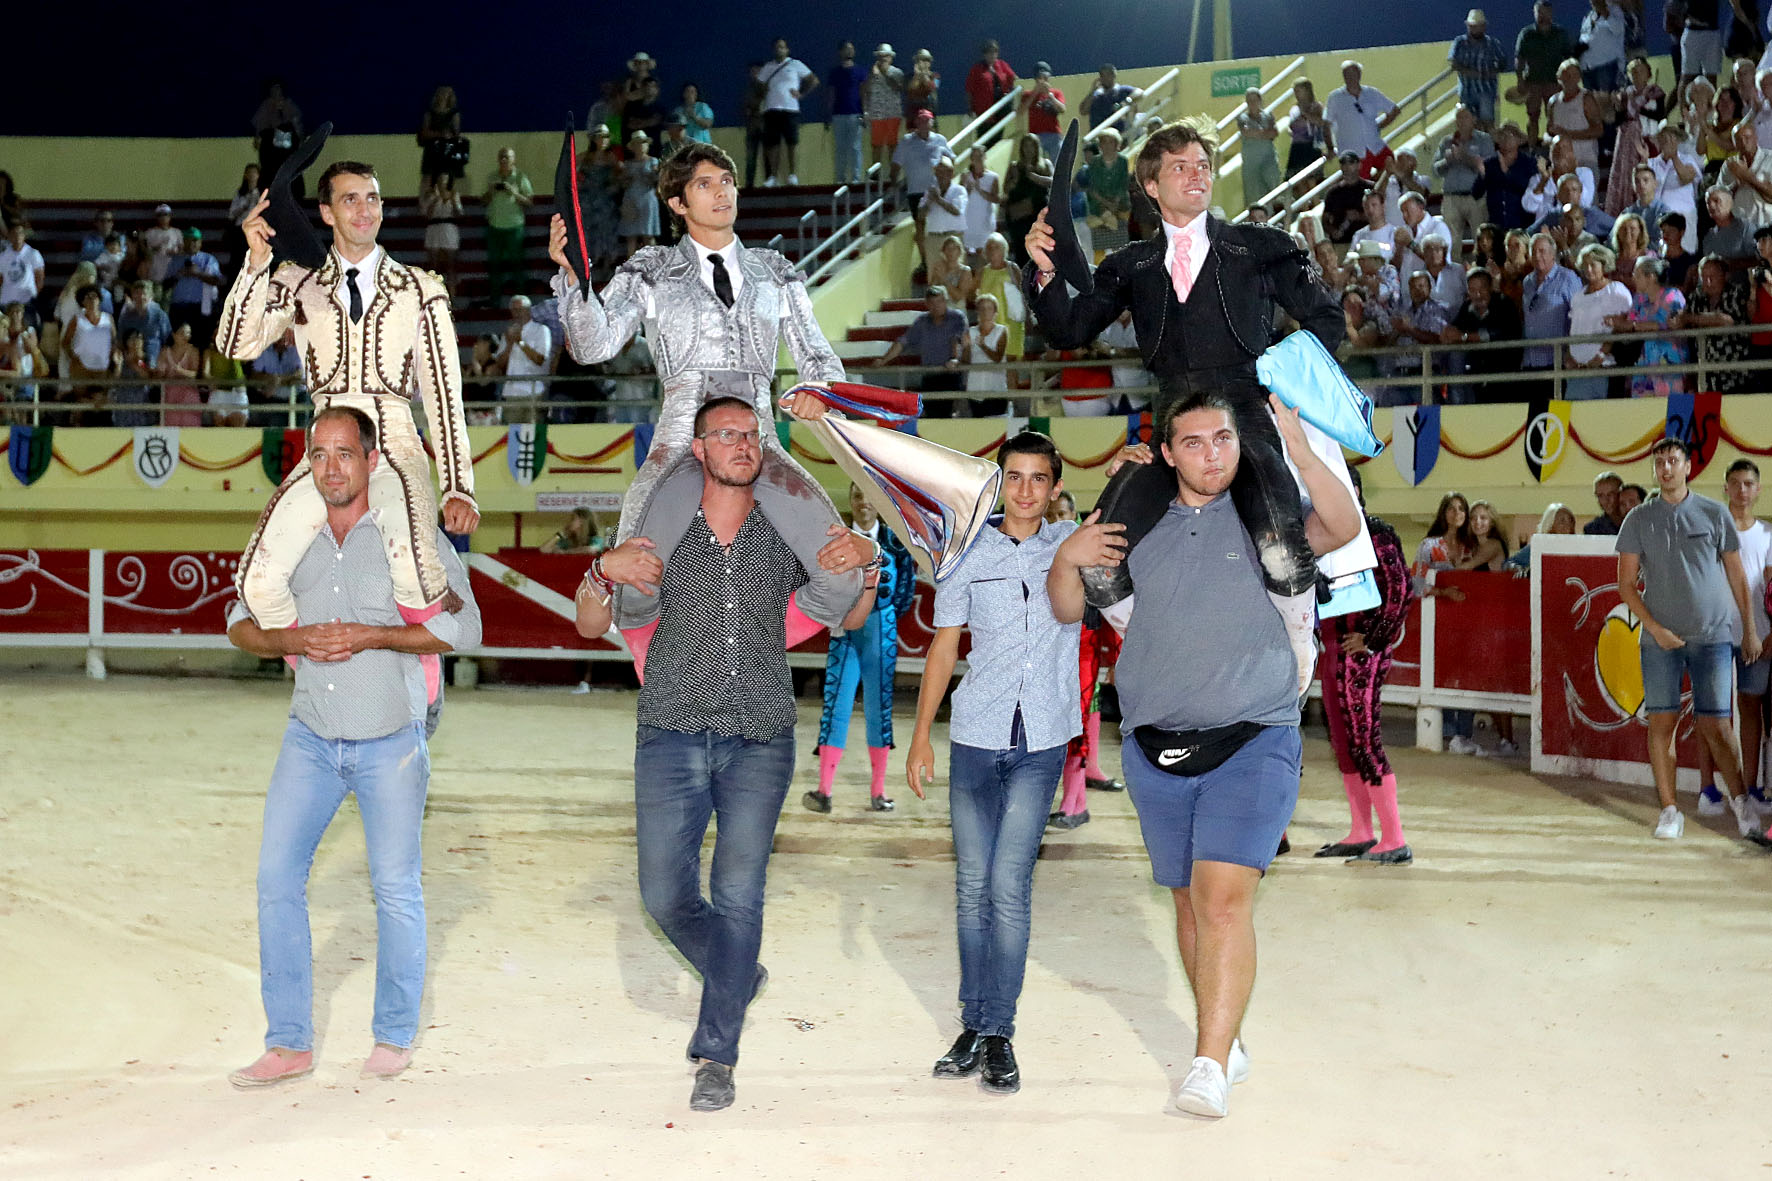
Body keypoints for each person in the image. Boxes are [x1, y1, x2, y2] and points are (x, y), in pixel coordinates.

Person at [1046, 392, 1359, 1119]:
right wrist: (1069, 552)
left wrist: (1300, 452)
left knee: (1221, 899)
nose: (1212, 453)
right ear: (1167, 453)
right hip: (1156, 745)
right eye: (1193, 442)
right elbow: (1067, 607)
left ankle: (1209, 1062)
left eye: (1223, 438)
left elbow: (1342, 525)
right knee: (1188, 902)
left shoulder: (1264, 521)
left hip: (1256, 733)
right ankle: (1228, 1033)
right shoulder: (1136, 528)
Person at [572, 396, 877, 1111]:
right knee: (664, 893)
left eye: (751, 433)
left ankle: (717, 1053)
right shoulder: (660, 537)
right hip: (672, 729)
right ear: (700, 451)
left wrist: (868, 560)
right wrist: (600, 567)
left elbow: (849, 613)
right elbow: (590, 622)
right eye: (727, 434)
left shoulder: (783, 530)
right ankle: (735, 969)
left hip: (761, 736)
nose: (743, 443)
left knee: (740, 892)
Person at [1027, 119, 1362, 690]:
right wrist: (1047, 271)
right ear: (1150, 185)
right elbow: (1068, 329)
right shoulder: (1131, 262)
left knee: (1282, 552)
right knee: (1099, 565)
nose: (1197, 173)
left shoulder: (1263, 246)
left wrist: (1282, 379)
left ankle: (1298, 648)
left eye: (1203, 164)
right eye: (1180, 166)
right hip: (1170, 429)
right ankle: (1159, 647)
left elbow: (1330, 318)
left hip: (1247, 419)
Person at [222, 405, 482, 1088]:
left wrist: (374, 636)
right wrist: (290, 640)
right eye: (319, 453)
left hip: (390, 740)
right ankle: (289, 1042)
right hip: (309, 736)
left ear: (371, 460)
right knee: (276, 879)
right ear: (307, 461)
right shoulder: (290, 536)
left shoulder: (409, 535)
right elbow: (237, 622)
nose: (332, 466)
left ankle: (394, 1031)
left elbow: (467, 630)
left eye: (345, 452)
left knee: (395, 888)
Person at [549, 141, 865, 633]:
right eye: (704, 184)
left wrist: (818, 389)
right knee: (634, 592)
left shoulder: (775, 270)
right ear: (677, 203)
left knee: (842, 575)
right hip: (680, 448)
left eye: (727, 181)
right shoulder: (650, 269)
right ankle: (680, 658)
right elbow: (594, 346)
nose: (722, 192)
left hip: (758, 445)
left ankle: (750, 648)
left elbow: (819, 357)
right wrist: (573, 280)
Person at [219, 161, 478, 648]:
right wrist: (255, 264)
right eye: (351, 199)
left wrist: (459, 486)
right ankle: (316, 667)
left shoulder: (422, 289)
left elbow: (445, 398)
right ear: (326, 212)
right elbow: (237, 345)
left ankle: (417, 683)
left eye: (373, 198)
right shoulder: (297, 280)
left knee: (414, 572)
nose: (365, 210)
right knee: (258, 582)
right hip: (327, 449)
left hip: (395, 445)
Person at [906, 432, 1083, 1096]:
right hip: (978, 734)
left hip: (1041, 743)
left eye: (1040, 478)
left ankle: (999, 1029)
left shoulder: (1070, 548)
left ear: (1056, 485)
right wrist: (922, 734)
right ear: (998, 482)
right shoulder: (966, 555)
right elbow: (945, 647)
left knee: (1007, 887)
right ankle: (973, 1023)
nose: (1028, 490)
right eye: (1016, 477)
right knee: (971, 889)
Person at [1616, 435, 1764, 841]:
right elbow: (1626, 585)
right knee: (1661, 722)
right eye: (1659, 461)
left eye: (1673, 460)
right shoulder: (1638, 520)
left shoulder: (1715, 513)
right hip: (1659, 642)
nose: (1665, 468)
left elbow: (1737, 575)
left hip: (1714, 636)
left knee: (1717, 725)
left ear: (1688, 467)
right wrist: (1656, 629)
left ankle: (1741, 804)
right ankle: (1669, 811)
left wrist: (1748, 628)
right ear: (1654, 469)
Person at [1316, 466, 1414, 862]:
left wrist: (1373, 638)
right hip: (1332, 647)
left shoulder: (1378, 534)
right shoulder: (1320, 532)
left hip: (1361, 650)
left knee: (1362, 738)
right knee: (1343, 740)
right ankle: (1362, 830)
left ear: (1355, 491)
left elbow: (1401, 591)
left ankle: (1394, 837)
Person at [809, 483, 917, 814]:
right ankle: (824, 790)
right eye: (857, 496)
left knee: (878, 707)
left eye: (869, 497)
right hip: (845, 631)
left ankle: (878, 790)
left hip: (879, 631)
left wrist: (884, 618)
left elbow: (905, 588)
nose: (863, 503)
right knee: (835, 704)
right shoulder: (836, 538)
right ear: (852, 501)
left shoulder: (894, 541)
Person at [1412, 492, 1480, 752]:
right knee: (1446, 671)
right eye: (1451, 509)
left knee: (1468, 672)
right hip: (1438, 622)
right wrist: (1444, 592)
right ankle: (1450, 731)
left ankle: (1463, 733)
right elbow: (1416, 584)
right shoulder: (1429, 546)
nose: (1457, 513)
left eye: (1461, 508)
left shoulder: (1472, 547)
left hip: (1469, 622)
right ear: (1443, 513)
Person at [1608, 255, 1689, 395]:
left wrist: (1633, 326)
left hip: (1670, 360)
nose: (1633, 279)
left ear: (1651, 277)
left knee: (1673, 408)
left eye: (1637, 276)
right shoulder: (1640, 299)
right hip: (1646, 359)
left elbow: (1668, 322)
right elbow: (1630, 320)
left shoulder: (1672, 295)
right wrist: (1618, 323)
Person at [1566, 243, 1634, 399]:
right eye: (1585, 265)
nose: (1589, 269)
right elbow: (1574, 328)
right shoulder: (1578, 296)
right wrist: (1569, 355)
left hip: (1603, 368)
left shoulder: (1616, 290)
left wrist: (1603, 353)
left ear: (1603, 265)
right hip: (1576, 370)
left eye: (1593, 265)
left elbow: (1623, 325)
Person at [1521, 231, 1581, 393]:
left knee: (1556, 414)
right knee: (1534, 416)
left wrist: (1571, 351)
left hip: (1556, 361)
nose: (1538, 256)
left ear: (1553, 253)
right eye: (1534, 251)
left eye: (1542, 251)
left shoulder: (1568, 278)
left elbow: (1578, 316)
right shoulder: (1527, 281)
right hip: (1531, 361)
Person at [1608, 57, 1669, 216]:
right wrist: (1620, 108)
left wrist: (1639, 106)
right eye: (1633, 71)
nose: (1637, 74)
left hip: (1648, 137)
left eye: (1640, 71)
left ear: (1648, 74)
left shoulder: (1655, 92)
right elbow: (1619, 120)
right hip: (1628, 140)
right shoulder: (1626, 94)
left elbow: (1660, 115)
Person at [1436, 105, 1496, 261]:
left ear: (1474, 120)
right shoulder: (1447, 141)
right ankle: (1453, 271)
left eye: (1465, 117)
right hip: (1451, 197)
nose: (1460, 121)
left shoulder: (1484, 140)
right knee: (1451, 241)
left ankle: (1481, 269)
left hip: (1475, 197)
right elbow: (1435, 169)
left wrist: (1464, 157)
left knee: (1481, 238)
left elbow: (1488, 168)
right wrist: (1447, 161)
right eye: (1458, 118)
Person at [1323, 60, 1400, 176]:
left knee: (1391, 166)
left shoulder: (1371, 93)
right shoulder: (1335, 97)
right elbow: (1326, 124)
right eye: (1347, 74)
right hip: (1352, 152)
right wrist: (1329, 148)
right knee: (1359, 185)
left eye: (1353, 74)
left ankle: (1376, 188)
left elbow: (1394, 110)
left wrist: (1379, 126)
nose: (1351, 77)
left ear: (1359, 74)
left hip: (1375, 145)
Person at [1516, 1, 1576, 145]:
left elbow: (1569, 58)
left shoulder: (1561, 33)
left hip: (1554, 83)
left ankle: (1555, 151)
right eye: (1540, 13)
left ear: (1551, 14)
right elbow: (1519, 58)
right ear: (1534, 14)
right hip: (1533, 82)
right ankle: (1531, 150)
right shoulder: (1526, 34)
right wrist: (1520, 80)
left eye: (1546, 13)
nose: (1543, 17)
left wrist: (1569, 82)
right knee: (1533, 117)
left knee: (1555, 118)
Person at [760, 38, 818, 187]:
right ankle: (773, 176)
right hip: (772, 109)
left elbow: (813, 80)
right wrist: (764, 91)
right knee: (773, 144)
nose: (779, 50)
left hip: (790, 109)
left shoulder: (795, 64)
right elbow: (758, 84)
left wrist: (802, 93)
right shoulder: (768, 67)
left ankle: (792, 175)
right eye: (777, 47)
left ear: (787, 50)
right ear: (773, 50)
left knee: (792, 143)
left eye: (782, 47)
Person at [484, 148, 534, 305]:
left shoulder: (520, 177)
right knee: (494, 265)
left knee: (517, 264)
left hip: (514, 226)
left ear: (514, 160)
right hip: (494, 226)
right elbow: (484, 201)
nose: (504, 160)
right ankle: (495, 300)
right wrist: (491, 191)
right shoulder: (492, 177)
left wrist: (513, 192)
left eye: (507, 157)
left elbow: (530, 202)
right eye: (501, 157)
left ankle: (522, 300)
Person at [1451, 9, 1512, 127]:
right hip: (1466, 91)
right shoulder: (1459, 42)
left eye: (1478, 26)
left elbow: (1503, 62)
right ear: (1468, 26)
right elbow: (1453, 63)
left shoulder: (1492, 43)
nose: (1475, 29)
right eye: (1473, 26)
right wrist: (1470, 72)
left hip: (1486, 91)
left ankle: (1488, 144)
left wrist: (1492, 71)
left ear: (1484, 26)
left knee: (1487, 122)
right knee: (1468, 124)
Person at [920, 154, 969, 283]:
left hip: (953, 238)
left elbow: (956, 210)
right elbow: (920, 215)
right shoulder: (930, 191)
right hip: (934, 238)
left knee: (956, 276)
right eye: (938, 172)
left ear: (951, 173)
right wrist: (930, 201)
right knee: (934, 275)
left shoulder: (959, 190)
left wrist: (938, 199)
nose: (940, 175)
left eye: (944, 171)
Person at [827, 42, 869, 184]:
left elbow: (863, 93)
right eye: (847, 49)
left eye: (852, 49)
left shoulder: (860, 71)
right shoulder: (834, 72)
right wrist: (828, 113)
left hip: (855, 113)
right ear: (840, 52)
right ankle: (840, 179)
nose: (850, 51)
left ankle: (856, 179)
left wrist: (865, 112)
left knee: (855, 147)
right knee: (840, 148)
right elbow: (832, 94)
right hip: (838, 114)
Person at [419, 175, 463, 300]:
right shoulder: (431, 196)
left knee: (451, 265)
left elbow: (459, 214)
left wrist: (453, 200)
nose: (442, 182)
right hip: (434, 228)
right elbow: (426, 214)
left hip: (449, 228)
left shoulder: (454, 195)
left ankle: (452, 297)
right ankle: (434, 295)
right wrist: (436, 198)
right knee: (433, 265)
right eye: (440, 180)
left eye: (445, 180)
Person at [1236, 88, 1281, 208]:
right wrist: (1264, 133)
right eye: (1249, 100)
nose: (1253, 103)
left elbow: (1274, 133)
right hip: (1251, 164)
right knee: (1253, 195)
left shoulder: (1268, 116)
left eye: (1255, 100)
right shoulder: (1242, 118)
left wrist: (1257, 133)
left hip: (1268, 159)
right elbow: (1246, 132)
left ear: (1260, 100)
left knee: (1273, 188)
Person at [617, 131, 661, 255]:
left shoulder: (653, 161)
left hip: (647, 200)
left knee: (648, 235)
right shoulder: (628, 164)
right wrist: (625, 178)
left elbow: (655, 181)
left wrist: (650, 175)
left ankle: (653, 265)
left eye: (643, 143)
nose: (641, 146)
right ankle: (631, 266)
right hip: (631, 200)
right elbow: (623, 184)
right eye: (638, 143)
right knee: (631, 237)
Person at [864, 45, 906, 172]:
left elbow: (899, 87)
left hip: (893, 114)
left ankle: (892, 176)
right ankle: (876, 176)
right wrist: (865, 110)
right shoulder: (871, 73)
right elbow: (866, 91)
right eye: (881, 56)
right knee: (876, 146)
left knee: (892, 145)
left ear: (891, 58)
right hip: (876, 115)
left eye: (886, 56)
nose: (883, 59)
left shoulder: (897, 72)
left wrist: (885, 73)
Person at [961, 149, 1002, 267]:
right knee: (966, 256)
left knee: (984, 255)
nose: (977, 159)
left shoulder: (993, 177)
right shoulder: (965, 176)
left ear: (985, 157)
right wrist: (967, 189)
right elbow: (961, 198)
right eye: (974, 157)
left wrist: (980, 190)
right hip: (968, 222)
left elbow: (996, 198)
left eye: (980, 156)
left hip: (984, 222)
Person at [417, 86, 465, 188]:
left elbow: (456, 133)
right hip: (432, 151)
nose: (443, 95)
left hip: (447, 152)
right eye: (441, 92)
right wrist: (440, 134)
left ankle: (446, 201)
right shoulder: (430, 113)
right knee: (428, 182)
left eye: (446, 93)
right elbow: (425, 132)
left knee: (446, 183)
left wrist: (451, 137)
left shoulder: (454, 114)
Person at [1506, 501, 1579, 568]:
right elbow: (1508, 564)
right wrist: (1516, 568)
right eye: (1562, 521)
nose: (1568, 525)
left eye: (1571, 520)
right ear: (1550, 524)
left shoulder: (1578, 546)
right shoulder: (1539, 545)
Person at [1284, 79, 1328, 186]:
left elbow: (1322, 123)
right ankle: (1303, 202)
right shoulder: (1294, 109)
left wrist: (1306, 114)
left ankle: (1315, 201)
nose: (1296, 94)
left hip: (1311, 146)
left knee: (1312, 179)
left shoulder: (1316, 106)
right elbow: (1291, 126)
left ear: (1307, 91)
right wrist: (1290, 131)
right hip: (1297, 147)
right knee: (1298, 180)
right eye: (1295, 91)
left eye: (1299, 91)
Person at [1021, 62, 1068, 160]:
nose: (1043, 80)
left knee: (1058, 163)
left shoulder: (1056, 93)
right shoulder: (1027, 94)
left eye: (1045, 77)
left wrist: (1051, 96)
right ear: (1035, 79)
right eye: (1040, 77)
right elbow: (1021, 111)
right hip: (1035, 136)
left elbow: (1062, 109)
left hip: (1054, 134)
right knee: (1035, 163)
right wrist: (1035, 92)